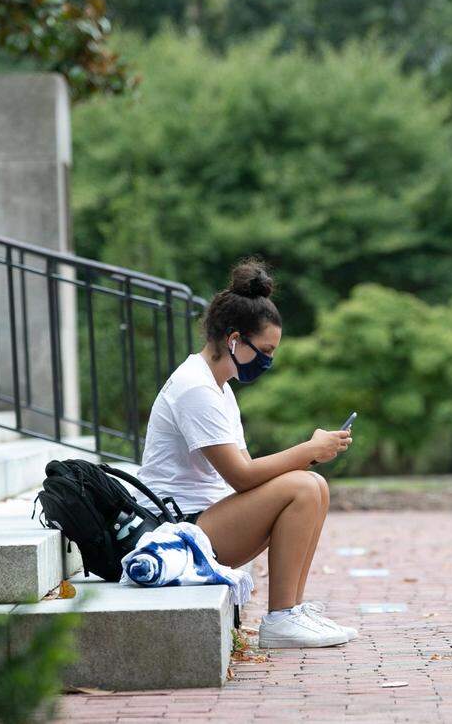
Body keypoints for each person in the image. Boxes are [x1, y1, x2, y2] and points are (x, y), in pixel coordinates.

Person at [135, 257, 356, 649]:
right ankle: (282, 619)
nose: (268, 361)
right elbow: (241, 476)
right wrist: (307, 449)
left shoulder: (219, 387)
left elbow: (248, 472)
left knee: (314, 485)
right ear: (235, 339)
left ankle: (293, 610)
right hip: (178, 529)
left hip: (205, 518)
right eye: (265, 350)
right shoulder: (195, 389)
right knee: (304, 487)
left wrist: (312, 456)